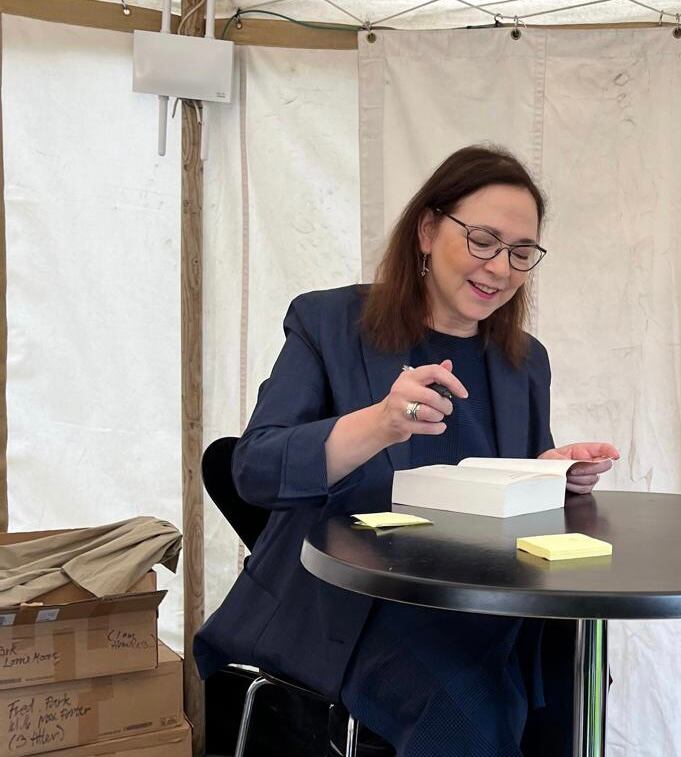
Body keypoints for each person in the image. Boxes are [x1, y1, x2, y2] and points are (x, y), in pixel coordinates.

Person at [194, 145, 620, 756]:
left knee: (573, 680)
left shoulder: (524, 361)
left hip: (481, 610)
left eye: (520, 252)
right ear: (426, 229)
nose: (500, 268)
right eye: (482, 240)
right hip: (352, 610)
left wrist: (550, 477)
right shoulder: (328, 324)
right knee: (471, 709)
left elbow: (506, 505)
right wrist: (379, 422)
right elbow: (253, 468)